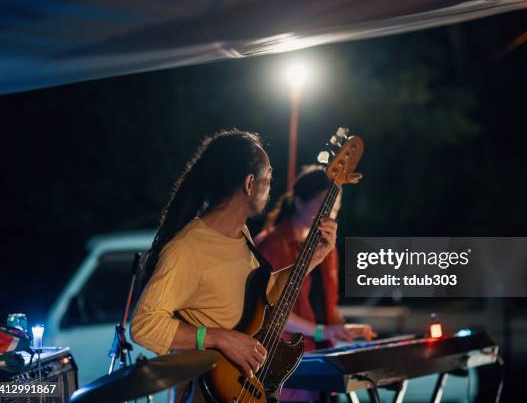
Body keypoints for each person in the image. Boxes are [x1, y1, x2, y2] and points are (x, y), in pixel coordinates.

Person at [130, 131, 338, 402]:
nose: (270, 187)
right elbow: (144, 325)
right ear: (250, 183)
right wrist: (220, 338)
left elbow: (266, 294)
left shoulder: (242, 235)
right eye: (268, 178)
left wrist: (313, 258)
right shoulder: (188, 248)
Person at [255, 165, 376, 402]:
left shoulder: (327, 249)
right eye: (325, 205)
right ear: (299, 202)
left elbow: (323, 304)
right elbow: (269, 310)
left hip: (322, 354)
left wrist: (340, 328)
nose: (331, 214)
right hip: (287, 362)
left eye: (336, 207)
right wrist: (323, 330)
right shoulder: (271, 244)